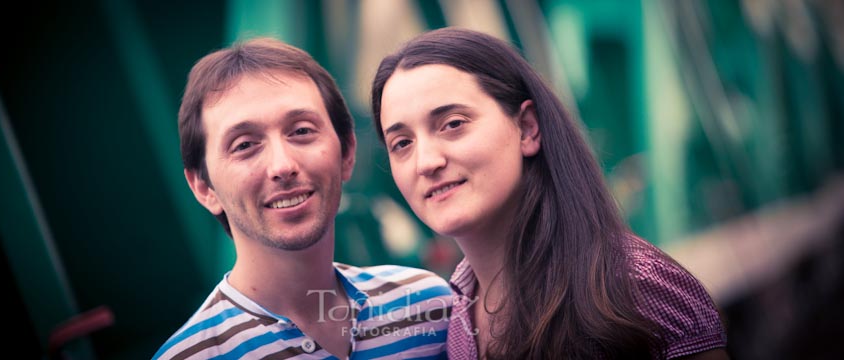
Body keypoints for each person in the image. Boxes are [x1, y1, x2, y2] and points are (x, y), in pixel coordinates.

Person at [370, 28, 727, 359]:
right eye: (402, 143)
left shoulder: (633, 285)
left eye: (453, 124)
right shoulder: (456, 320)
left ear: (527, 128)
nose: (426, 162)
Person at [154, 38, 451, 360]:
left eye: (301, 131)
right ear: (203, 188)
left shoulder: (428, 306)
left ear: (347, 153)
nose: (283, 166)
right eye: (244, 145)